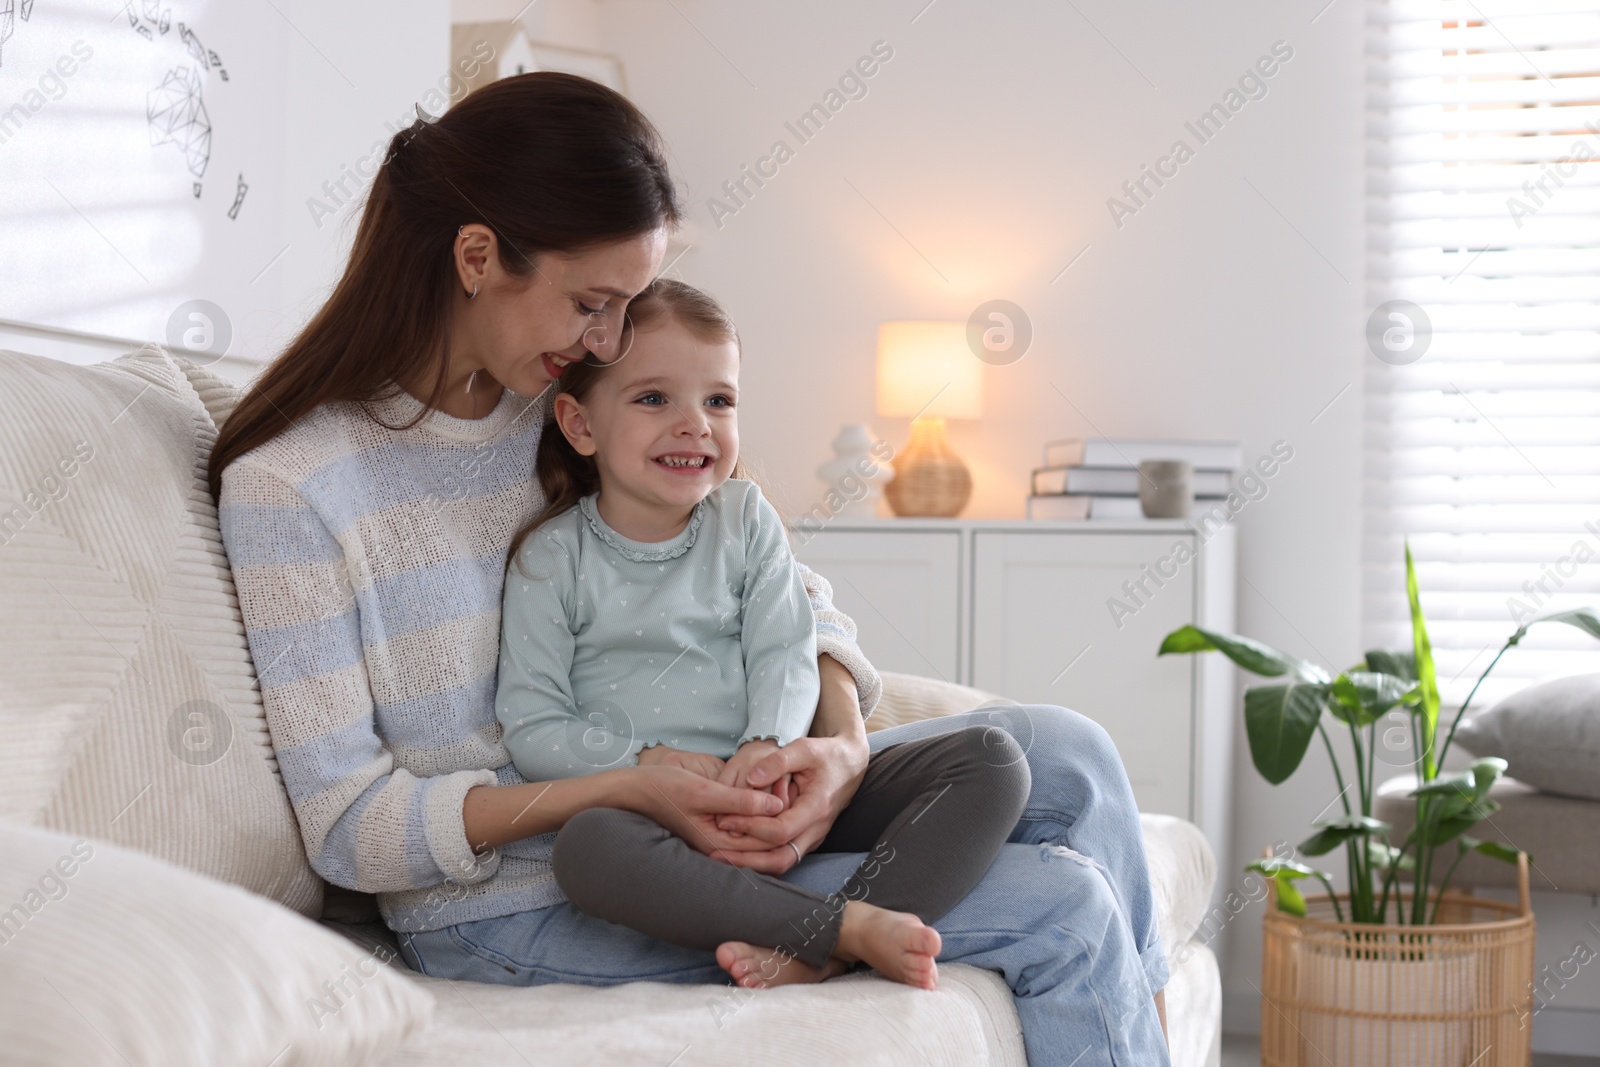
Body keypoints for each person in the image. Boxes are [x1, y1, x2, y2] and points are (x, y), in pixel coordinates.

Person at [212, 71, 1170, 1065]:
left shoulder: (559, 407)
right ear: (476, 256)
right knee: (1064, 905)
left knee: (1068, 751)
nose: (608, 340)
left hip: (713, 793)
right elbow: (346, 823)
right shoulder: (297, 487)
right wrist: (624, 789)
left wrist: (838, 746)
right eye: (591, 302)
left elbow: (784, 586)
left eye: (624, 307)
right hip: (545, 888)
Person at [495, 279, 1030, 989]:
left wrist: (768, 747)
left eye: (719, 400)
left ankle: (828, 945)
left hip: (776, 791)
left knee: (993, 759)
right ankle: (844, 931)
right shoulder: (552, 557)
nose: (696, 424)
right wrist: (648, 763)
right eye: (654, 398)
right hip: (657, 819)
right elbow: (534, 725)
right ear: (580, 424)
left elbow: (786, 644)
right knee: (589, 849)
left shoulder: (745, 518)